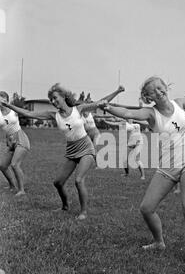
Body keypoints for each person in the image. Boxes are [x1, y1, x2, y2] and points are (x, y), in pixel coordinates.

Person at [98, 76, 185, 265]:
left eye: (160, 87)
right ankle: (159, 242)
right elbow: (128, 112)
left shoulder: (179, 103)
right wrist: (109, 107)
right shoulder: (151, 114)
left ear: (165, 87)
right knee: (146, 208)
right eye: (154, 91)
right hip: (168, 164)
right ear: (149, 96)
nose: (159, 92)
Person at [0, 84, 123, 220]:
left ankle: (84, 212)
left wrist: (116, 92)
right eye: (51, 99)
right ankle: (65, 207)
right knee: (58, 182)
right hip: (71, 150)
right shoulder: (54, 115)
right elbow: (28, 113)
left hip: (86, 148)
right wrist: (9, 105)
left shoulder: (79, 109)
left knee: (79, 180)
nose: (53, 101)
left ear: (64, 96)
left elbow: (100, 103)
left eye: (55, 98)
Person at [0, 91, 30, 196]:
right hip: (10, 141)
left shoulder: (13, 110)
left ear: (7, 100)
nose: (0, 100)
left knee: (14, 164)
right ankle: (12, 186)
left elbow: (25, 112)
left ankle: (22, 190)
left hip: (21, 138)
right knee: (2, 165)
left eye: (2, 98)